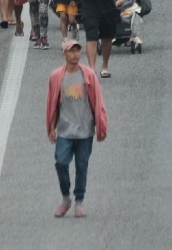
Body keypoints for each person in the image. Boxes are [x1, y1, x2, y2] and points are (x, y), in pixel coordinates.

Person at [46, 38, 108, 218]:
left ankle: (79, 200)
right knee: (61, 163)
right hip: (65, 131)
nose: (75, 54)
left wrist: (101, 126)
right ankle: (66, 198)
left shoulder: (88, 75)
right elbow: (52, 104)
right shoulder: (57, 77)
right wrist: (51, 127)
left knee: (82, 165)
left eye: (77, 51)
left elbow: (98, 102)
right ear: (64, 54)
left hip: (85, 131)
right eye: (71, 51)